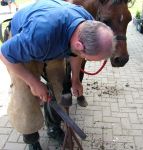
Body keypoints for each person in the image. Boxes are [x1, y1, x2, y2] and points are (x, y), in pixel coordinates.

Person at [0, 0, 115, 149]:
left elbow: (76, 54)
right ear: (79, 45)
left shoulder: (87, 23)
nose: (86, 59)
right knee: (25, 94)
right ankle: (32, 138)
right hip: (22, 48)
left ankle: (53, 127)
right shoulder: (38, 36)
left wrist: (75, 80)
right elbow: (4, 54)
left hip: (55, 41)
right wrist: (34, 83)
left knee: (61, 88)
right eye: (89, 58)